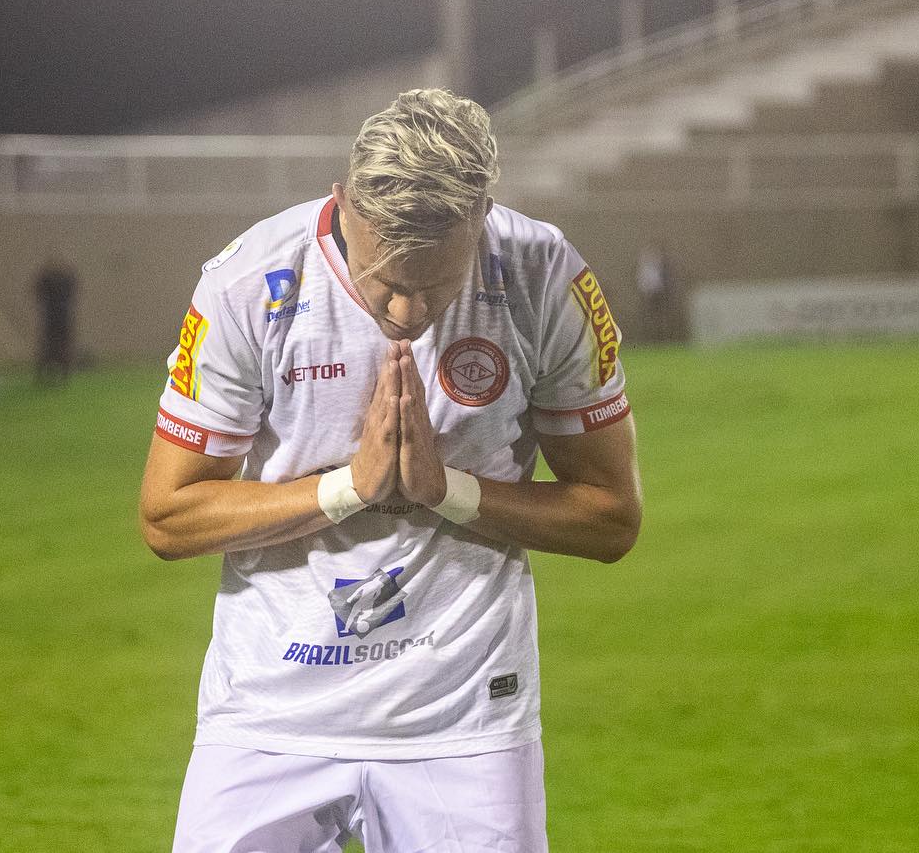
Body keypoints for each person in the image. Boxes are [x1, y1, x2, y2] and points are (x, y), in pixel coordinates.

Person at [139, 89, 642, 853]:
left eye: (434, 285)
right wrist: (349, 490)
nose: (405, 312)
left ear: (480, 218)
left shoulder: (544, 278)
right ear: (344, 207)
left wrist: (451, 493)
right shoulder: (249, 284)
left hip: (464, 714)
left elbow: (611, 517)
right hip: (271, 709)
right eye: (384, 282)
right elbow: (167, 515)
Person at [32, 257, 77, 384]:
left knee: (53, 346)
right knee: (54, 346)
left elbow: (38, 290)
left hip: (55, 318)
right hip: (57, 317)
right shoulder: (64, 280)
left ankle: (54, 374)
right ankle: (58, 374)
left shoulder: (51, 280)